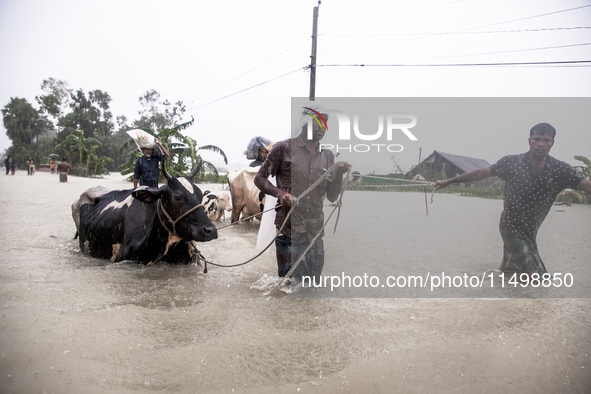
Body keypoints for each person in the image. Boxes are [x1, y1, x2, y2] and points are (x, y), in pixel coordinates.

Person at [434, 123, 591, 278]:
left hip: (530, 233)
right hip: (510, 227)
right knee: (536, 277)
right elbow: (482, 173)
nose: (541, 144)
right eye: (537, 139)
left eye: (546, 140)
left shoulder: (560, 170)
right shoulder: (512, 163)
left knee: (513, 274)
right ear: (529, 141)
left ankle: (501, 294)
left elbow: (585, 185)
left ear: (552, 144)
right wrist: (448, 182)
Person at [254, 107, 350, 286]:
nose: (322, 126)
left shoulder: (328, 156)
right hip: (288, 230)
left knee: (313, 287)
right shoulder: (283, 149)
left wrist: (340, 174)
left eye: (325, 122)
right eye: (318, 121)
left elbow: (332, 197)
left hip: (314, 233)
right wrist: (280, 193)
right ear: (305, 123)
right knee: (287, 287)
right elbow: (259, 179)